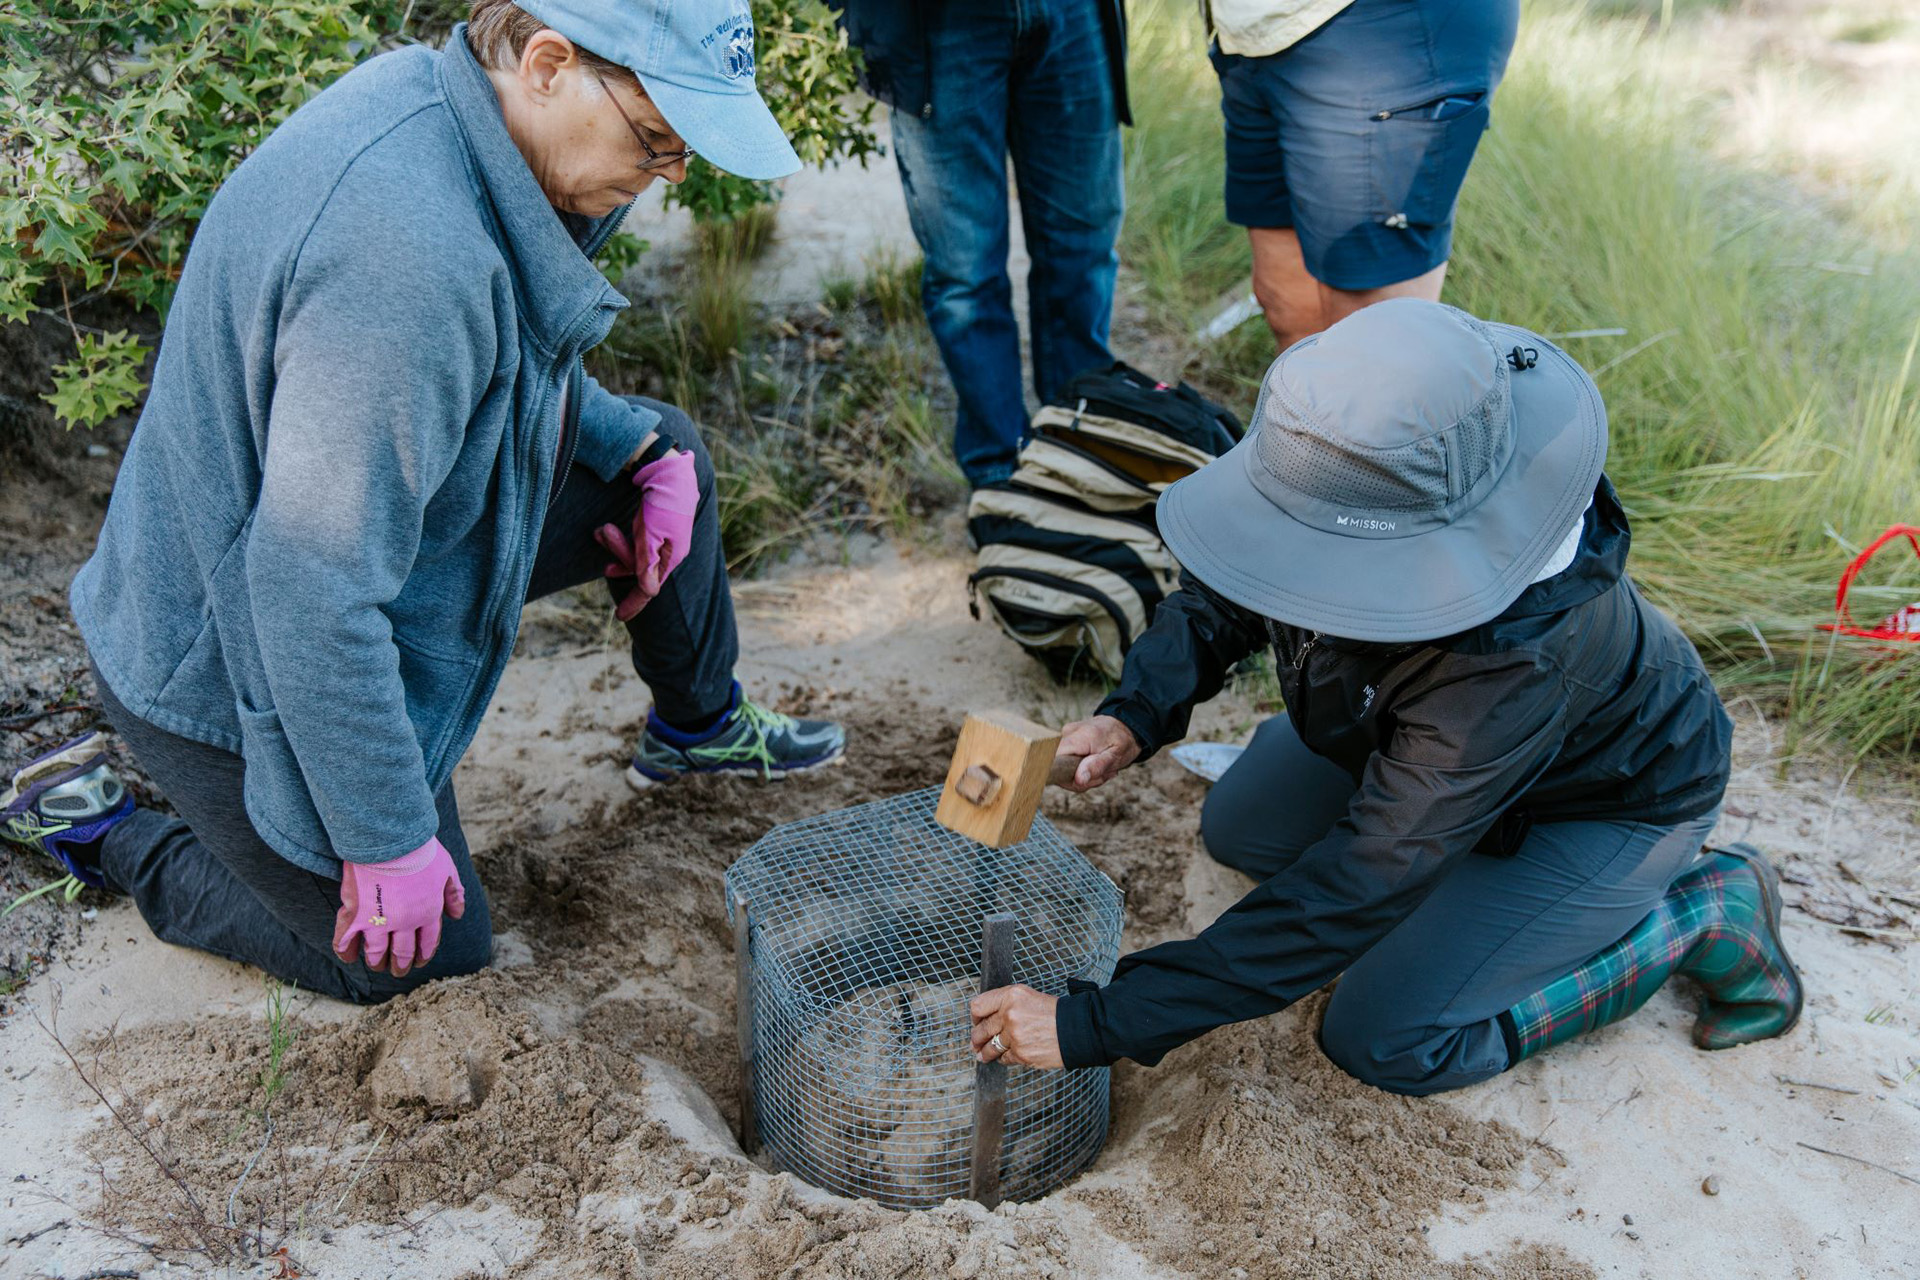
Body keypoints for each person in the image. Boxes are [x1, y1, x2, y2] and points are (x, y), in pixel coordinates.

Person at [0, 0, 845, 1003]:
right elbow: (307, 585)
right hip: (223, 653)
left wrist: (637, 448)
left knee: (669, 456)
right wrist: (387, 837)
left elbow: (508, 352)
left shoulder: (466, 117)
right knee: (413, 956)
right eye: (659, 137)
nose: (673, 174)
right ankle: (105, 832)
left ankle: (697, 727)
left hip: (353, 563)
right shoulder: (404, 261)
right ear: (547, 62)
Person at [968, 299, 1803, 1094]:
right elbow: (1235, 581)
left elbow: (1354, 889)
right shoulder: (1359, 454)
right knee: (1242, 827)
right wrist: (1135, 712)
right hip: (1418, 747)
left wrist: (1098, 1022)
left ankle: (1703, 912)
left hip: (1607, 802)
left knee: (1384, 1036)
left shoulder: (1509, 657)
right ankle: (1465, 882)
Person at [839, 0, 1131, 488]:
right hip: (936, 23)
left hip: (1074, 13)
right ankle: (1002, 476)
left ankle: (1081, 444)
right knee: (965, 273)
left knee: (1083, 245)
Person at [1208, 0, 1521, 350]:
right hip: (1250, 34)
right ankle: (1302, 404)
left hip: (1381, 30)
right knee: (1285, 302)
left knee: (1372, 333)